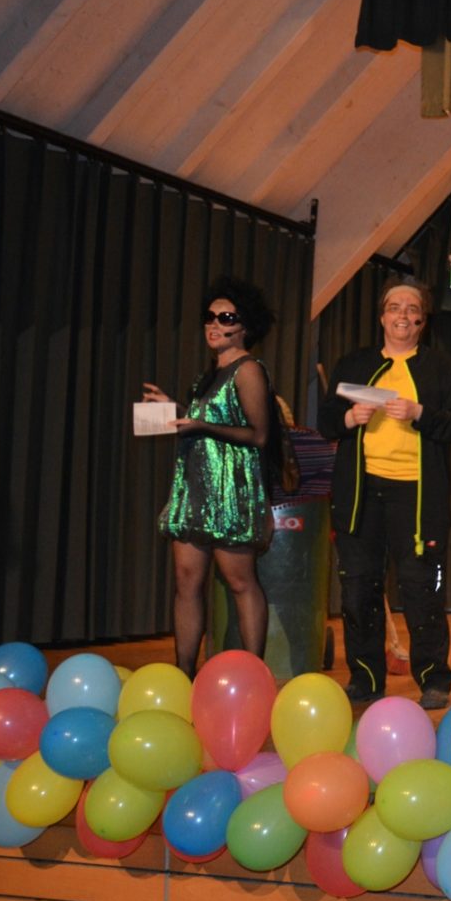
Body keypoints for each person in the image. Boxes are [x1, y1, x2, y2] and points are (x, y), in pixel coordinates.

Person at [319, 278, 451, 711]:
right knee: (358, 590)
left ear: (422, 320)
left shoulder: (442, 369)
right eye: (394, 307)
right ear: (382, 316)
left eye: (411, 308)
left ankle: (434, 680)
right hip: (361, 495)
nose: (402, 315)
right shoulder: (355, 364)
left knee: (422, 590)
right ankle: (365, 679)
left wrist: (420, 412)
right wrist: (349, 418)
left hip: (418, 498)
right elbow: (327, 420)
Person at [144, 276, 286, 677]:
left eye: (226, 318)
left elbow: (258, 435)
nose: (214, 324)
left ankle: (253, 674)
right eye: (210, 316)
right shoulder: (207, 376)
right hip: (195, 487)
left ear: (245, 327)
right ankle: (184, 675)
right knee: (186, 581)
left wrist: (199, 425)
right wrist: (174, 409)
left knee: (240, 582)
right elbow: (206, 421)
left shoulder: (249, 370)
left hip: (231, 490)